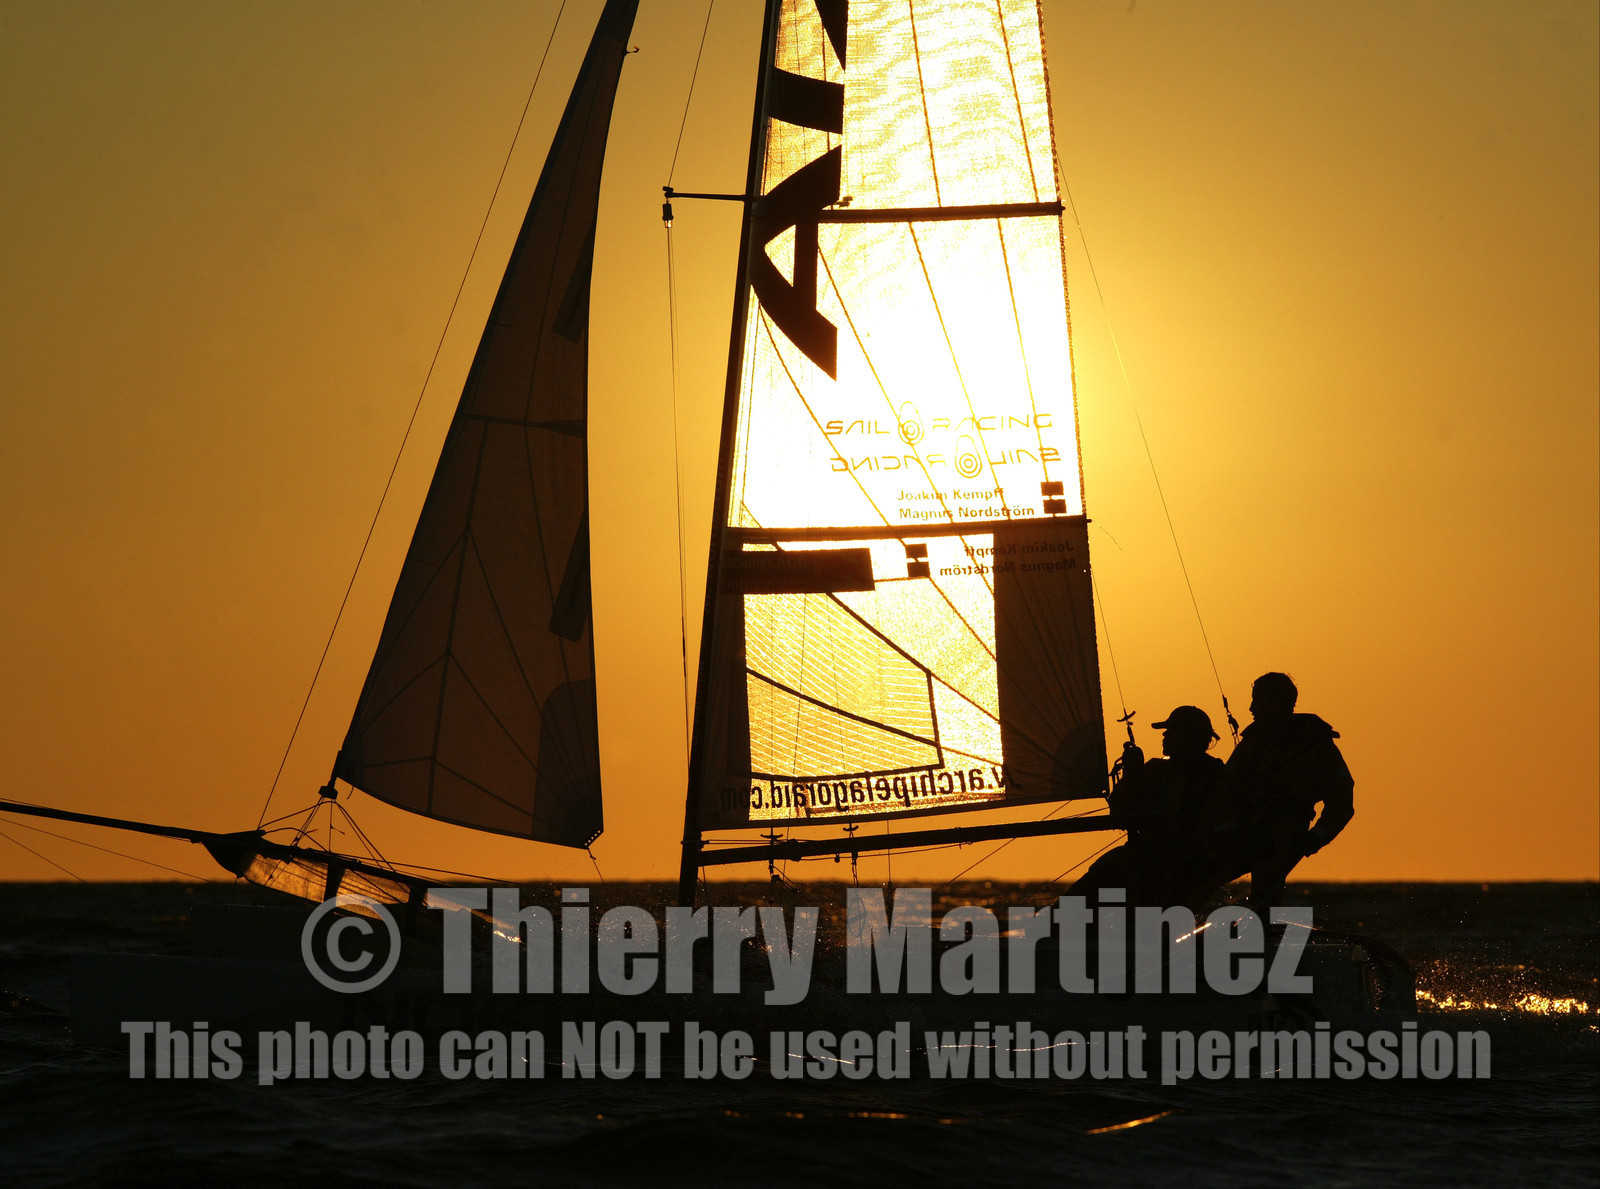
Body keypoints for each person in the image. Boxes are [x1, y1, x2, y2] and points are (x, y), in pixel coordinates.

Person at [1069, 705, 1232, 908]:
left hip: (1183, 863)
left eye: (1171, 730)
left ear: (1188, 736)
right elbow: (1121, 811)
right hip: (1146, 857)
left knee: (1118, 875)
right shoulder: (1156, 770)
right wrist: (1132, 772)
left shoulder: (1214, 775)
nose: (1164, 735)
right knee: (1103, 872)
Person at [1224, 672, 1354, 913]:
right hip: (1243, 830)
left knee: (1266, 891)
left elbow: (1341, 800)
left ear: (1277, 704)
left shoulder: (1316, 746)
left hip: (1284, 832)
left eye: (1258, 701)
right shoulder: (1253, 743)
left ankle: (1263, 937)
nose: (1251, 708)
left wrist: (1316, 837)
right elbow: (1225, 789)